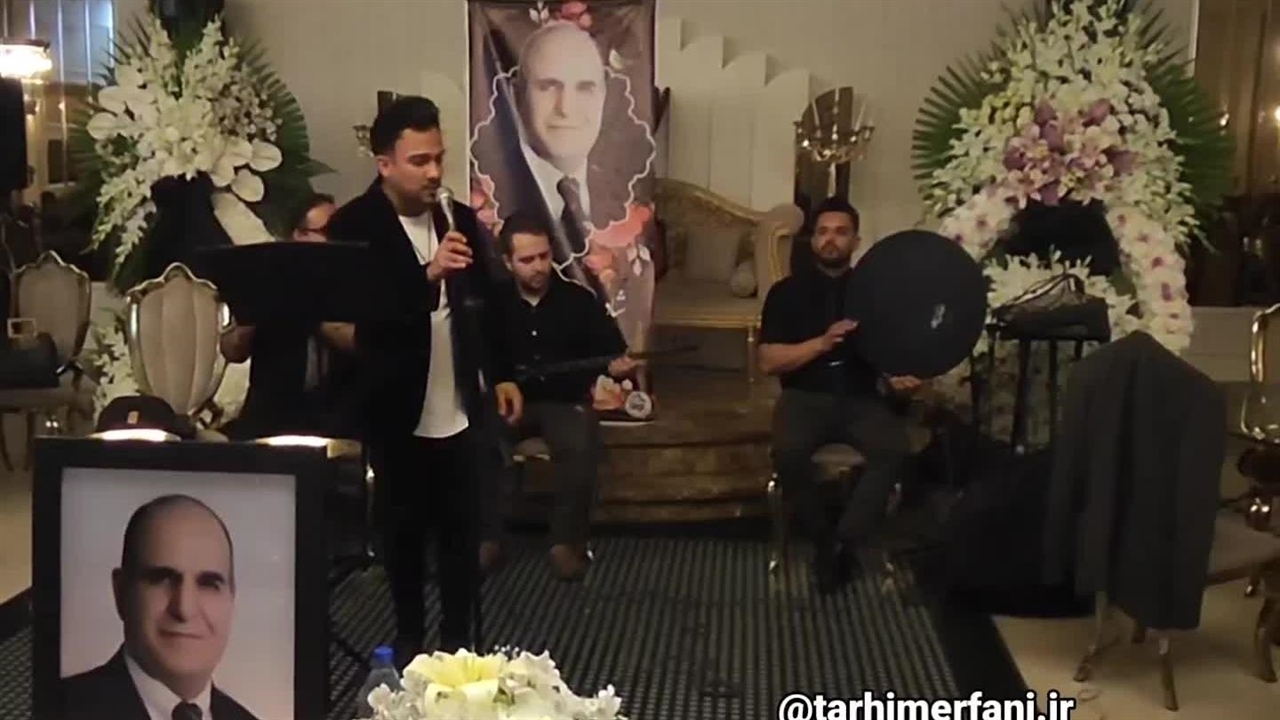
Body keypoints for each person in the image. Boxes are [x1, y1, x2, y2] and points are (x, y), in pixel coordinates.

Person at [326, 95, 522, 667]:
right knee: (404, 533)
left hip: (457, 400)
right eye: (419, 161)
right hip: (395, 403)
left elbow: (489, 302)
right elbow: (364, 316)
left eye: (438, 158)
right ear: (384, 163)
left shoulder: (455, 217)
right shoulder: (354, 226)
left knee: (462, 533)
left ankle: (458, 642)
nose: (434, 172)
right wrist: (427, 275)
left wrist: (502, 374)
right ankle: (410, 637)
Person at [758, 197, 921, 594]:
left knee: (893, 450)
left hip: (861, 397)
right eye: (823, 232)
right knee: (789, 452)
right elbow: (768, 360)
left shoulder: (877, 294)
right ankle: (822, 538)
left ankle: (843, 542)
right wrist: (822, 342)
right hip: (804, 396)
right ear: (812, 240)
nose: (831, 240)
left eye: (841, 232)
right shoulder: (786, 293)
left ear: (856, 241)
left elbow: (894, 356)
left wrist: (900, 379)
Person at [481, 213, 636, 580]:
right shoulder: (490, 303)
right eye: (527, 260)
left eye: (544, 256)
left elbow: (612, 352)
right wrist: (500, 381)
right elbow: (479, 355)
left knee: (580, 441)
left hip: (564, 402)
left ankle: (565, 542)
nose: (539, 267)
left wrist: (619, 367)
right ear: (508, 262)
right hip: (508, 400)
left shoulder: (578, 300)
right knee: (479, 439)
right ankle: (486, 538)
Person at [471, 20, 655, 301]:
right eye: (548, 87)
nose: (566, 108)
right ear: (517, 95)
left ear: (604, 98)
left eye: (585, 88)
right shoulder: (488, 195)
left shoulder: (628, 195)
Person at [60, 495, 260, 720]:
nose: (184, 609)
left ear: (231, 599)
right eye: (161, 580)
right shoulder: (58, 707)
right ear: (121, 593)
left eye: (208, 584)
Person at [218, 192, 359, 439]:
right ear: (300, 235)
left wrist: (313, 308)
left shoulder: (355, 282)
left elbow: (363, 344)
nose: (337, 239)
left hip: (336, 418)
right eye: (328, 231)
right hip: (270, 418)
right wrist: (257, 311)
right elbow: (232, 350)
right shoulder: (265, 278)